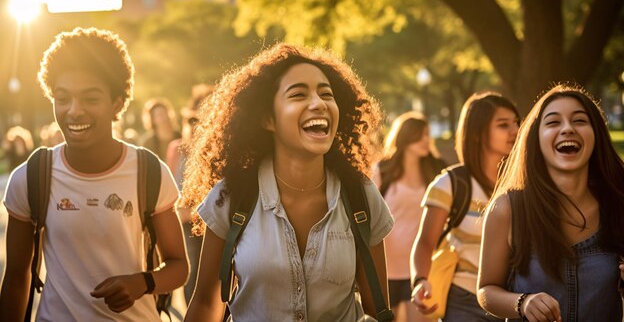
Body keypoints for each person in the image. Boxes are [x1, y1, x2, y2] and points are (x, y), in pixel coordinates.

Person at [182, 43, 394, 321]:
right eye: (298, 94)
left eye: (326, 94)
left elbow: (376, 310)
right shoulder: (233, 196)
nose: (319, 103)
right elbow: (206, 305)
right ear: (267, 119)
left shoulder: (361, 197)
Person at [0, 27, 188, 321]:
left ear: (116, 104)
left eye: (90, 99)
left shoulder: (149, 172)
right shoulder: (31, 177)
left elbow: (179, 266)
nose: (74, 111)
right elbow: (15, 278)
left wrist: (141, 283)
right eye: (62, 98)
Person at [477, 85, 624, 321]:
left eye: (579, 121)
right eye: (553, 122)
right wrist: (522, 302)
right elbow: (486, 290)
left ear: (596, 133)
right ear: (536, 138)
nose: (567, 129)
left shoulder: (619, 203)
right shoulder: (507, 209)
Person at [410, 91, 520, 321]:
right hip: (464, 301)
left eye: (516, 123)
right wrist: (420, 280)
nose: (515, 131)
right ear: (478, 133)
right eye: (503, 125)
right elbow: (425, 243)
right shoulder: (451, 183)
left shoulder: (523, 185)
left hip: (515, 301)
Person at [372, 111, 446, 322]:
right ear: (406, 136)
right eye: (420, 135)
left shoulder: (436, 170)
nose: (426, 140)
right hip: (386, 267)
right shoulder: (381, 171)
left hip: (421, 267)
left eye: (427, 135)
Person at [165, 83, 214, 304]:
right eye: (192, 120)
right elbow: (171, 188)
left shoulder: (218, 150)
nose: (195, 125)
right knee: (192, 279)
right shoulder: (177, 148)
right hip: (186, 222)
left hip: (214, 223)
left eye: (202, 119)